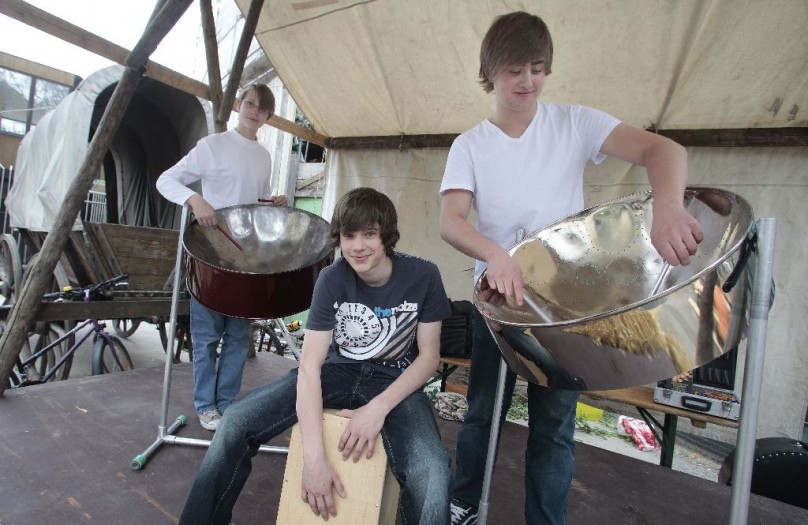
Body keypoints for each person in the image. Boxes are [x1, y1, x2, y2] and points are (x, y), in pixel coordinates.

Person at [439, 11, 704, 525]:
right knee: (482, 414)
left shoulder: (575, 123)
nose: (528, 81)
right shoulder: (470, 145)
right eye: (515, 70)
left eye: (538, 69)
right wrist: (495, 254)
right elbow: (451, 221)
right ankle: (465, 505)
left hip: (563, 309)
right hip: (496, 301)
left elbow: (662, 149)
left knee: (555, 427)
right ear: (490, 72)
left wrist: (669, 206)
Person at [178, 187, 453, 524]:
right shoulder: (331, 278)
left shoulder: (424, 275)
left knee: (433, 470)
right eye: (349, 236)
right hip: (337, 372)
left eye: (369, 234)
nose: (358, 246)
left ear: (387, 235)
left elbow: (429, 358)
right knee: (234, 422)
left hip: (394, 379)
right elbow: (309, 367)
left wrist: (376, 409)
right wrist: (314, 460)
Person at [156, 83, 288, 431]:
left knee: (237, 337)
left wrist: (272, 202)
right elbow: (166, 180)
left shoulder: (264, 156)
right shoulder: (212, 146)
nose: (254, 111)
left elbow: (253, 202)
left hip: (245, 258)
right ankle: (205, 404)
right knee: (206, 337)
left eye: (262, 108)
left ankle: (227, 403)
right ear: (239, 106)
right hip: (210, 254)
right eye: (250, 103)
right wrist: (194, 199)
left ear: (268, 116)